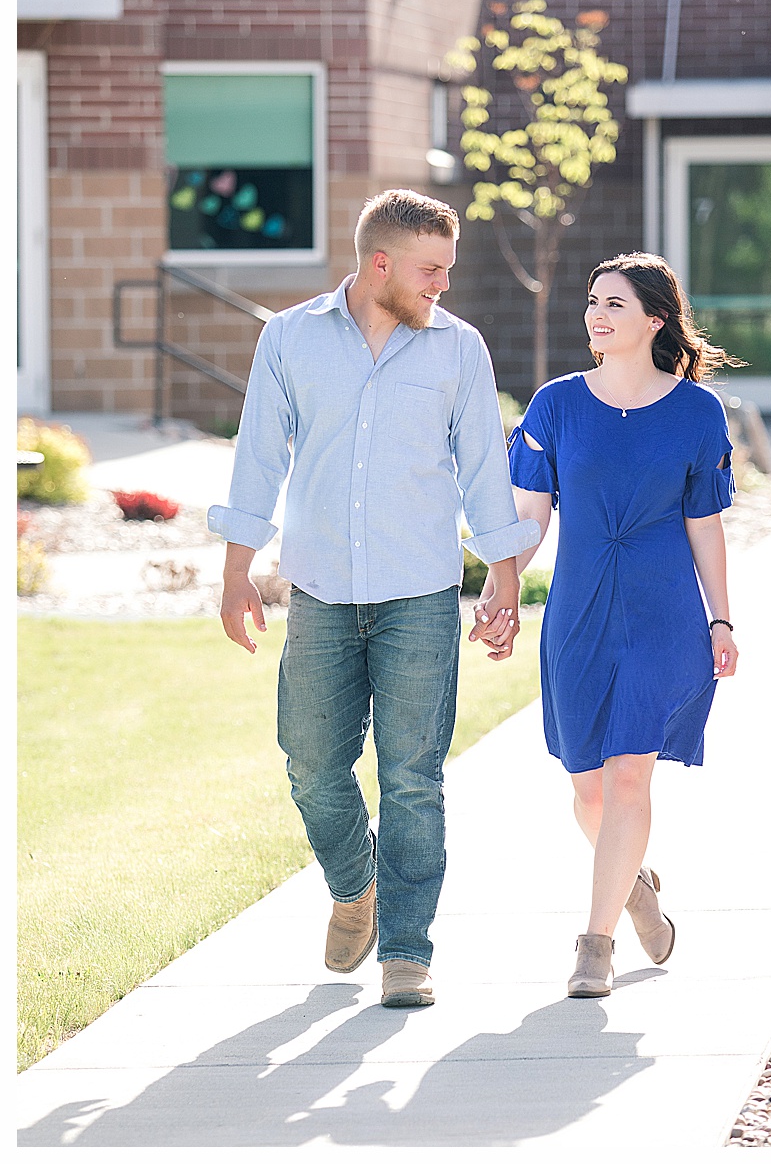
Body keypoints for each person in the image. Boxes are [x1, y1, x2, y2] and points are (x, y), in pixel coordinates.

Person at [211, 188, 539, 1010]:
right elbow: (258, 458)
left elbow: (482, 469)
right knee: (312, 764)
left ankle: (406, 951)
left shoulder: (458, 350)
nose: (444, 286)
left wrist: (504, 572)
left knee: (413, 778)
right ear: (379, 263)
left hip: (420, 594)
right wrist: (234, 570)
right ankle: (354, 886)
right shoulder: (289, 338)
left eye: (449, 270)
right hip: (320, 588)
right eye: (432, 270)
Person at [485, 252, 740, 998]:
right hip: (579, 611)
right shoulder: (557, 405)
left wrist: (721, 618)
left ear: (656, 319)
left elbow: (706, 522)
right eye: (594, 301)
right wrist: (501, 582)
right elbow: (530, 516)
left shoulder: (697, 412)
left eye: (617, 304)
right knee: (587, 787)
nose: (597, 314)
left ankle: (594, 946)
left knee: (631, 773)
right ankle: (635, 888)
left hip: (665, 614)